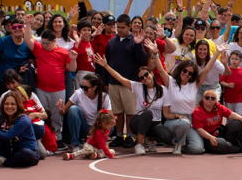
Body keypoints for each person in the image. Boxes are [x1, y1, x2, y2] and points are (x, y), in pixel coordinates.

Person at [97, 43, 168, 155]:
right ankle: (139, 145)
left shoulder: (163, 90)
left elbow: (167, 113)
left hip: (155, 123)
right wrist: (105, 66)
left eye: (146, 75)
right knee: (148, 113)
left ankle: (150, 140)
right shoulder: (138, 87)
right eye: (141, 77)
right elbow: (119, 78)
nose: (144, 78)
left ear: (152, 73)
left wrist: (178, 117)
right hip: (137, 122)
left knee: (167, 136)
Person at [104, 15, 150, 145]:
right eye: (117, 27)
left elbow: (142, 60)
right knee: (117, 112)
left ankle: (129, 136)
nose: (119, 30)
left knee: (130, 111)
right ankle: (119, 136)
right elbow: (106, 62)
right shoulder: (111, 42)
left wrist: (138, 44)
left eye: (122, 27)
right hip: (113, 83)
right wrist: (106, 82)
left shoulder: (135, 40)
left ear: (129, 26)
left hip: (129, 84)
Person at [0, 90, 41, 169]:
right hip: (10, 151)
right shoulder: (0, 118)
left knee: (27, 153)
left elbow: (7, 136)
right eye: (6, 104)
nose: (9, 107)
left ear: (18, 105)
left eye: (13, 104)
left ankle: (4, 162)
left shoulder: (23, 120)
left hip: (27, 153)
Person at [33, 29, 76, 144]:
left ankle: (57, 137)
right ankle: (44, 137)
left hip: (59, 88)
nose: (45, 45)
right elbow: (27, 40)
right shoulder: (39, 48)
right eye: (43, 43)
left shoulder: (63, 52)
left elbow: (72, 69)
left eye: (47, 43)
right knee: (43, 114)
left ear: (54, 41)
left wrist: (73, 59)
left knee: (57, 115)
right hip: (41, 88)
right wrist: (27, 24)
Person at [161, 59, 208, 155]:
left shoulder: (194, 84)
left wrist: (217, 53)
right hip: (173, 120)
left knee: (198, 149)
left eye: (190, 73)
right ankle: (178, 143)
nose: (186, 74)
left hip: (189, 120)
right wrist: (154, 53)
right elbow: (161, 70)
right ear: (180, 69)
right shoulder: (171, 81)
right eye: (185, 71)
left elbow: (206, 69)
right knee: (184, 123)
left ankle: (182, 146)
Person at [57, 72, 107, 152]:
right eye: (81, 86)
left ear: (94, 87)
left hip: (98, 129)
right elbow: (63, 112)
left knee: (108, 121)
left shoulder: (104, 96)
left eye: (85, 87)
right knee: (73, 109)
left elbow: (110, 117)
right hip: (84, 128)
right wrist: (61, 109)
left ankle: (97, 141)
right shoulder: (78, 93)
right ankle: (75, 144)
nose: (83, 89)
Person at [0, 15, 34, 100]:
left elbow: (31, 62)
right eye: (14, 27)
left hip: (16, 84)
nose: (17, 29)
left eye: (20, 26)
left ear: (24, 28)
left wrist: (25, 67)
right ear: (11, 29)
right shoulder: (3, 41)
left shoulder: (28, 44)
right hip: (0, 80)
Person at [191, 88, 242, 154]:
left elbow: (231, 114)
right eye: (207, 97)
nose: (210, 99)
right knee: (221, 144)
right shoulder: (198, 111)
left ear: (215, 100)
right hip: (209, 138)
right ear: (203, 99)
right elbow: (199, 129)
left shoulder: (218, 106)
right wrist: (210, 137)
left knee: (238, 123)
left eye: (212, 98)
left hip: (221, 133)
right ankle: (240, 149)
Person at [219, 50, 242, 116]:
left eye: (236, 59)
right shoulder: (227, 69)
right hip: (229, 98)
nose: (234, 60)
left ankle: (240, 126)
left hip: (240, 98)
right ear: (230, 59)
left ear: (240, 60)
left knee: (240, 114)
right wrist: (228, 85)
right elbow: (221, 81)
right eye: (232, 58)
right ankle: (230, 126)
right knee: (229, 115)